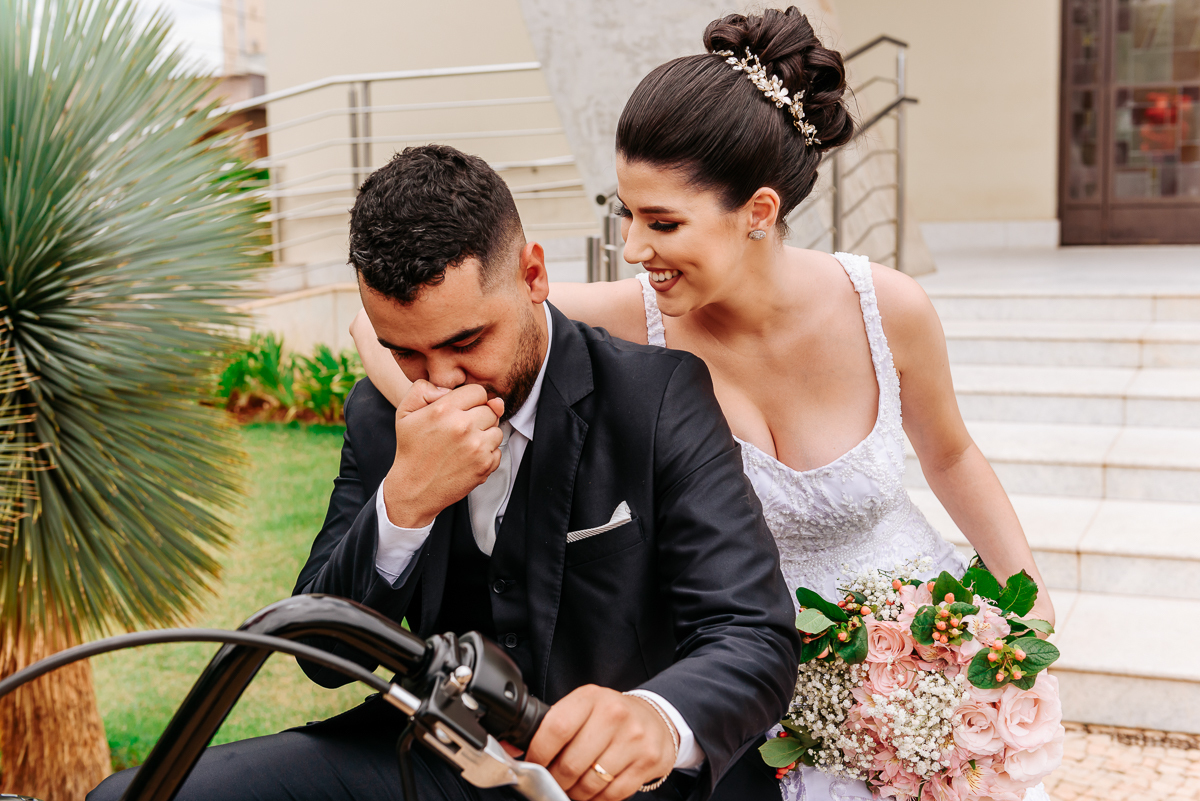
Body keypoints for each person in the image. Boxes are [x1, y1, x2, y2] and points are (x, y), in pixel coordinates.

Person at [350, 9, 1055, 801]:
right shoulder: (625, 319)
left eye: (661, 221)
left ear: (757, 212)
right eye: (626, 212)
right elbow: (394, 333)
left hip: (919, 659)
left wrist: (1026, 610)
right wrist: (446, 416)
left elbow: (951, 454)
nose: (632, 246)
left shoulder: (887, 309)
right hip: (756, 690)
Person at [90, 145, 799, 801]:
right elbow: (318, 656)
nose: (440, 380)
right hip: (438, 755)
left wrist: (653, 717)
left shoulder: (656, 397)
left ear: (532, 276)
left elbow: (754, 633)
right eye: (405, 352)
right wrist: (404, 503)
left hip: (617, 782)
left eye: (466, 340)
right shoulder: (381, 414)